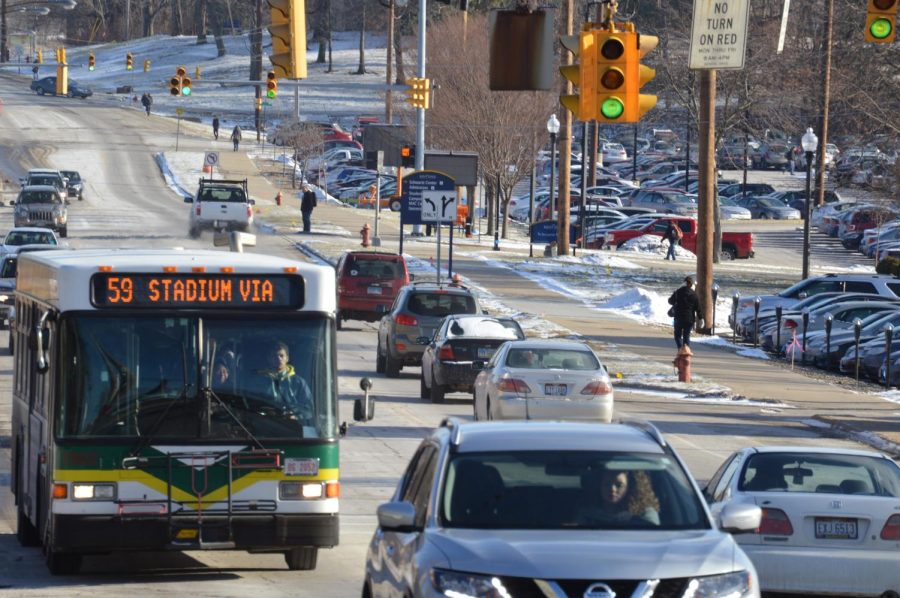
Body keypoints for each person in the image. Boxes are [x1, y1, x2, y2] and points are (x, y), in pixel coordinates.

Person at [577, 469, 660, 526]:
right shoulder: (589, 515)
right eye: (606, 484)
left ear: (630, 486)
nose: (612, 489)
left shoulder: (645, 514)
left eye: (619, 485)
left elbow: (654, 537)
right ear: (599, 486)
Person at [255, 341, 313, 419]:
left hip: (291, 427)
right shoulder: (259, 381)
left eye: (281, 355)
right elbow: (253, 404)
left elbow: (309, 410)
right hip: (265, 424)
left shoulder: (299, 382)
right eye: (274, 356)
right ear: (269, 359)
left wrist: (296, 416)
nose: (278, 358)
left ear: (287, 358)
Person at [668, 276, 701, 351]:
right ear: (692, 284)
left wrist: (675, 292)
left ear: (684, 283)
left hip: (678, 318)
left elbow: (670, 301)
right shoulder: (694, 295)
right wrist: (701, 318)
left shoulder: (678, 292)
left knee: (677, 336)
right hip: (689, 319)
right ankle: (686, 350)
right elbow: (698, 308)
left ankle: (680, 349)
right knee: (686, 335)